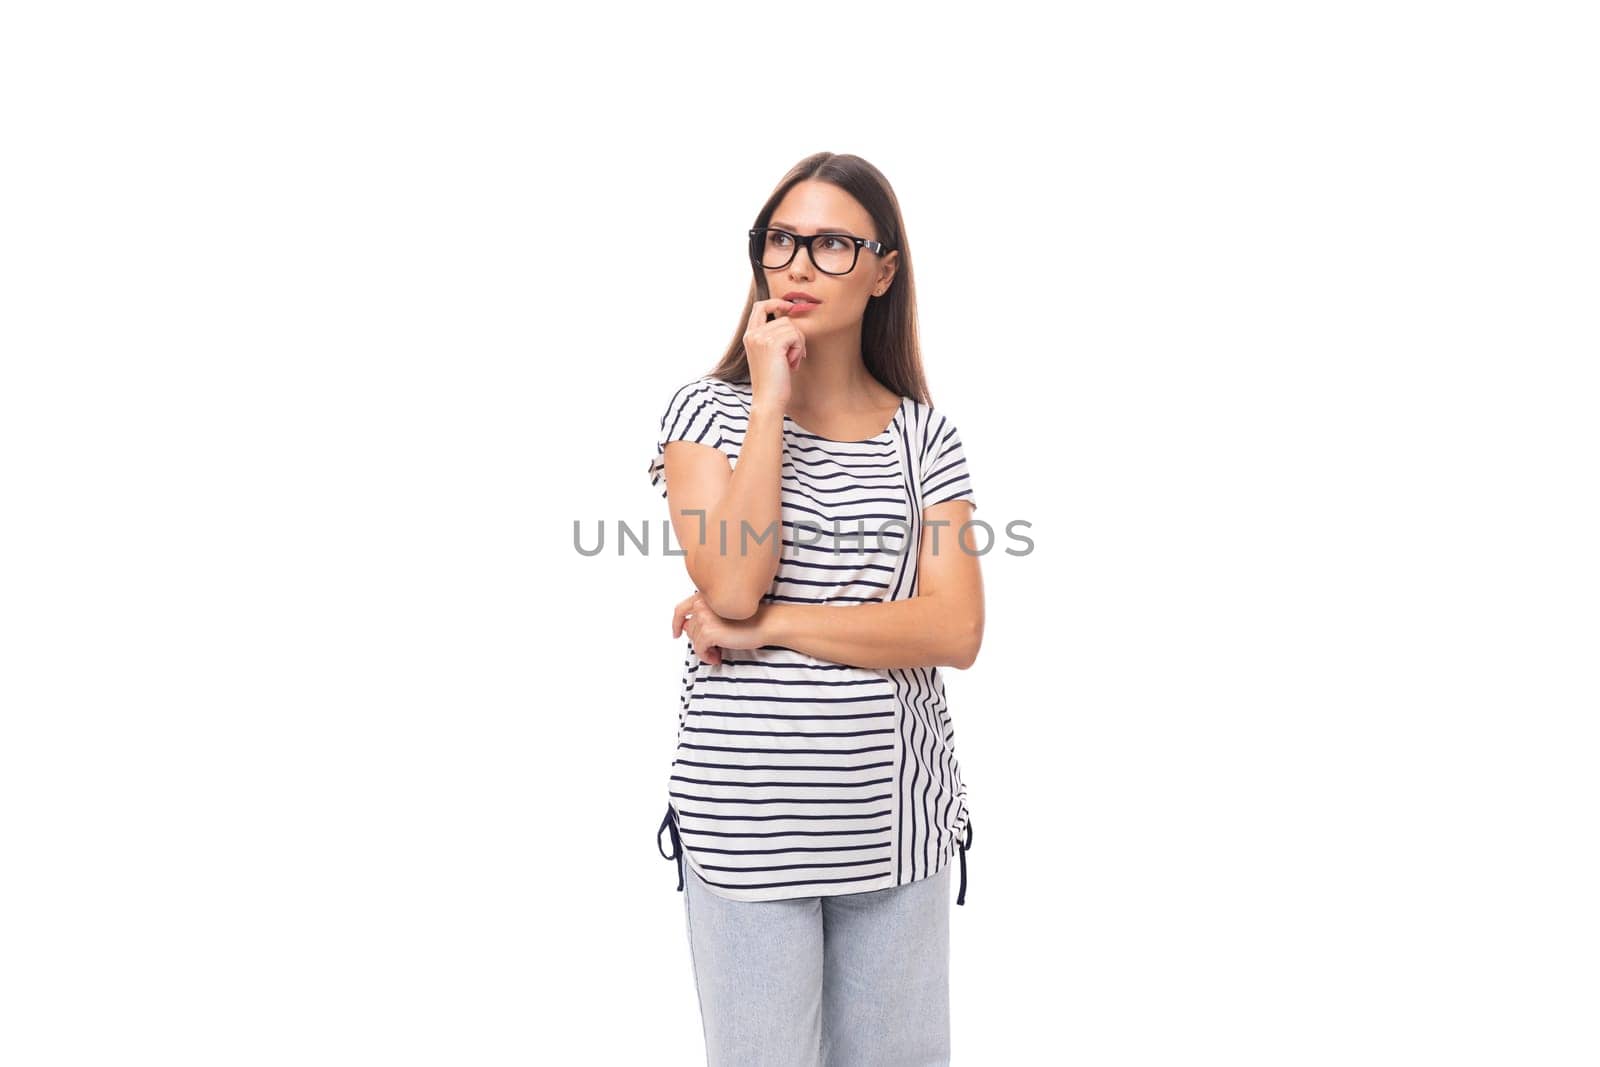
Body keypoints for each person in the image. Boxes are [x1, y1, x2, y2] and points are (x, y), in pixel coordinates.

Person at [647, 152, 985, 1066]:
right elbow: (729, 582)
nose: (798, 264)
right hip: (746, 829)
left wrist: (772, 628)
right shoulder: (705, 414)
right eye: (783, 241)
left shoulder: (926, 437)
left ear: (883, 269)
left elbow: (953, 630)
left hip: (894, 828)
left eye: (833, 243)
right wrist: (770, 400)